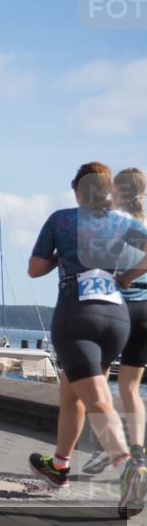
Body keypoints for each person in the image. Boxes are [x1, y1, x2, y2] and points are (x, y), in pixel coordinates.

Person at [28, 162, 147, 518]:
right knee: (71, 391)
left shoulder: (62, 220)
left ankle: (128, 467)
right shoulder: (122, 223)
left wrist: (58, 258)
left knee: (96, 399)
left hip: (76, 317)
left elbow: (34, 269)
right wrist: (124, 279)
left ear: (77, 190)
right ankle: (59, 465)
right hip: (116, 320)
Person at [84, 167, 147, 476]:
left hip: (117, 310)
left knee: (100, 384)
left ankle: (108, 450)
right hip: (146, 312)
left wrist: (124, 278)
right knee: (131, 389)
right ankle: (138, 457)